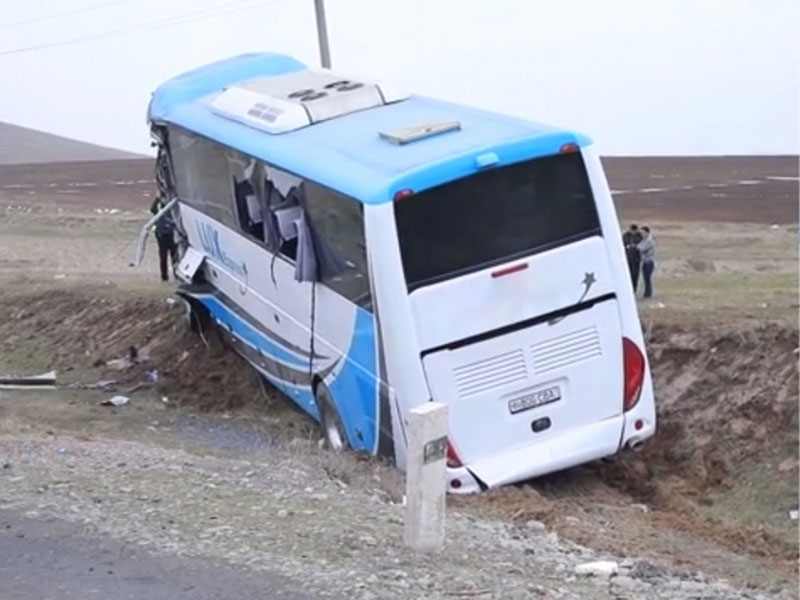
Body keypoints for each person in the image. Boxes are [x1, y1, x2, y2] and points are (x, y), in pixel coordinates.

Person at [150, 193, 177, 281]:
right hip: (161, 236)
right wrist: (157, 198)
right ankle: (164, 277)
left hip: (171, 235)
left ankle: (176, 275)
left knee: (175, 256)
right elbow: (152, 209)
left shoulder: (172, 210)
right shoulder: (158, 210)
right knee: (163, 257)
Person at [622, 224, 643, 292]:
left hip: (636, 259)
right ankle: (627, 288)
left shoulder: (639, 236)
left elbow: (641, 245)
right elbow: (622, 244)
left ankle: (634, 289)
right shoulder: (625, 236)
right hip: (627, 258)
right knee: (627, 273)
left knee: (635, 274)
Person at [638, 226, 656, 299]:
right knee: (645, 279)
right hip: (645, 262)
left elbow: (641, 248)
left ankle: (648, 293)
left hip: (649, 262)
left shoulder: (649, 241)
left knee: (647, 279)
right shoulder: (644, 240)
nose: (642, 234)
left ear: (647, 232)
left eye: (643, 233)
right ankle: (647, 293)